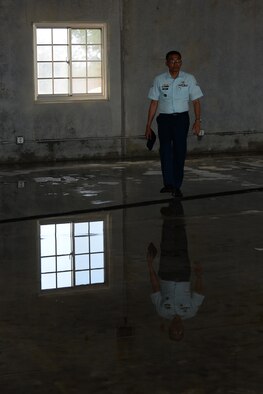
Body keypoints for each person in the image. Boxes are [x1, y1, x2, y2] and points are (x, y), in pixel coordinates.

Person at [145, 50, 204, 197]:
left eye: (178, 60)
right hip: (164, 120)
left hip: (181, 120)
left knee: (179, 150)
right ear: (166, 63)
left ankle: (177, 184)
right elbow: (154, 103)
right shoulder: (159, 79)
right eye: (172, 60)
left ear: (181, 62)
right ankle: (169, 184)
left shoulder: (189, 79)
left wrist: (198, 121)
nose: (175, 63)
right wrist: (148, 125)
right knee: (165, 151)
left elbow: (196, 101)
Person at [146, 200, 204, 341]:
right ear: (183, 329)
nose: (177, 330)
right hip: (183, 274)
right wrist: (199, 275)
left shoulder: (162, 311)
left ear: (169, 329)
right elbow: (198, 293)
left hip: (166, 272)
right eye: (180, 333)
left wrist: (149, 265)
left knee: (167, 243)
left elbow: (155, 288)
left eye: (174, 332)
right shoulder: (191, 312)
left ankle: (169, 215)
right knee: (180, 241)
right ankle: (177, 206)